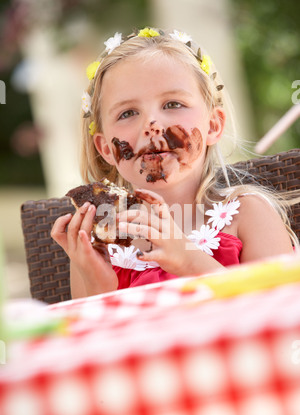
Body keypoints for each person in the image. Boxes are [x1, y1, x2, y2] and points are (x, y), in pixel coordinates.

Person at [51, 27, 298, 298]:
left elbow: (284, 315)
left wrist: (188, 260)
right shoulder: (98, 245)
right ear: (104, 149)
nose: (151, 125)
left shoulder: (247, 215)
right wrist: (99, 287)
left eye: (172, 104)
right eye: (128, 113)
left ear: (213, 125)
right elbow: (90, 339)